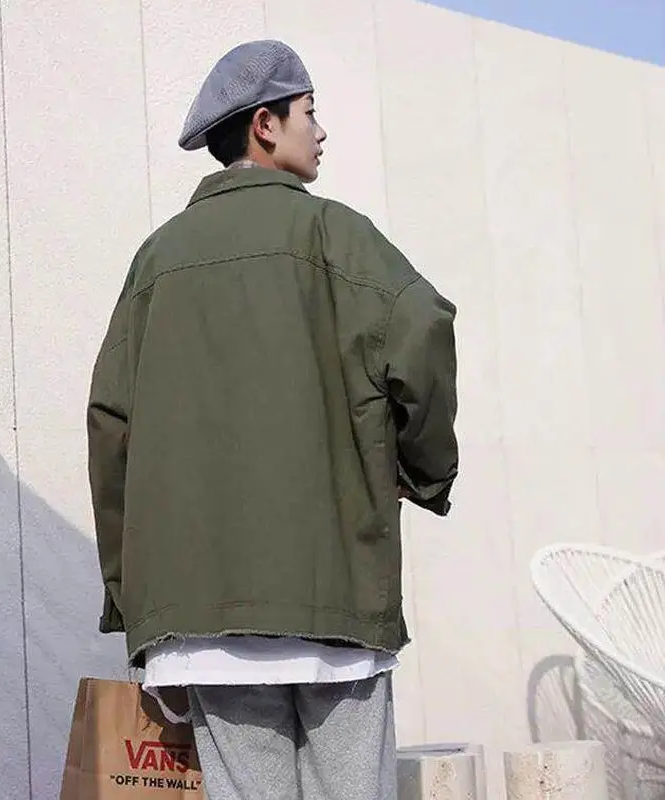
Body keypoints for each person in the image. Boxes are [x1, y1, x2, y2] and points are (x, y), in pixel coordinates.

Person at [87, 39, 458, 800]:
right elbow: (423, 327)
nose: (320, 131)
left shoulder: (157, 261)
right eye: (309, 112)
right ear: (265, 124)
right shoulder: (337, 236)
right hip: (336, 606)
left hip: (205, 621)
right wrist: (422, 472)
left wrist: (135, 598)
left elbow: (110, 426)